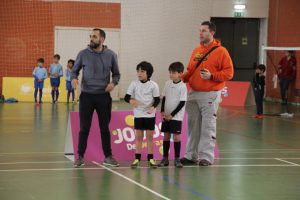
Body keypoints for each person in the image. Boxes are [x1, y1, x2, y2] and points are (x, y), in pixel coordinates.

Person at [180, 21, 234, 166]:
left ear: (212, 32)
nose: (200, 33)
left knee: (207, 126)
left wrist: (212, 76)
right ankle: (191, 155)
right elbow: (191, 70)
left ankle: (206, 157)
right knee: (192, 127)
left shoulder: (221, 51)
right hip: (193, 94)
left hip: (210, 94)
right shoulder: (196, 50)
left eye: (203, 31)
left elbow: (229, 73)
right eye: (200, 30)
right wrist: (179, 79)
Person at [72, 28, 121, 167]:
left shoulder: (111, 55)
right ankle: (80, 156)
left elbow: (117, 74)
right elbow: (74, 70)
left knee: (105, 128)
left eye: (94, 36)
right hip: (86, 96)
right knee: (84, 128)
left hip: (103, 97)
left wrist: (113, 83)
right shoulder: (82, 54)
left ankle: (108, 156)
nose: (91, 39)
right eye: (90, 36)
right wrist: (74, 78)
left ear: (102, 39)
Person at [124, 61, 160, 168]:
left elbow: (157, 100)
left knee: (150, 137)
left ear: (148, 73)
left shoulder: (153, 85)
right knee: (139, 137)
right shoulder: (134, 83)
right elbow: (126, 97)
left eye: (142, 71)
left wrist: (152, 108)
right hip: (138, 113)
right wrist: (131, 101)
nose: (139, 73)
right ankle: (137, 159)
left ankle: (151, 159)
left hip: (149, 114)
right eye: (138, 71)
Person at [158, 62, 187, 168]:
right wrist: (162, 111)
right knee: (166, 136)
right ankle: (165, 158)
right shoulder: (167, 84)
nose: (171, 74)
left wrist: (172, 115)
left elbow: (182, 103)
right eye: (170, 72)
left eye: (173, 72)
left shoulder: (183, 86)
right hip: (166, 116)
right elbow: (164, 98)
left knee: (176, 138)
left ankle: (177, 159)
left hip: (176, 117)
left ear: (180, 73)